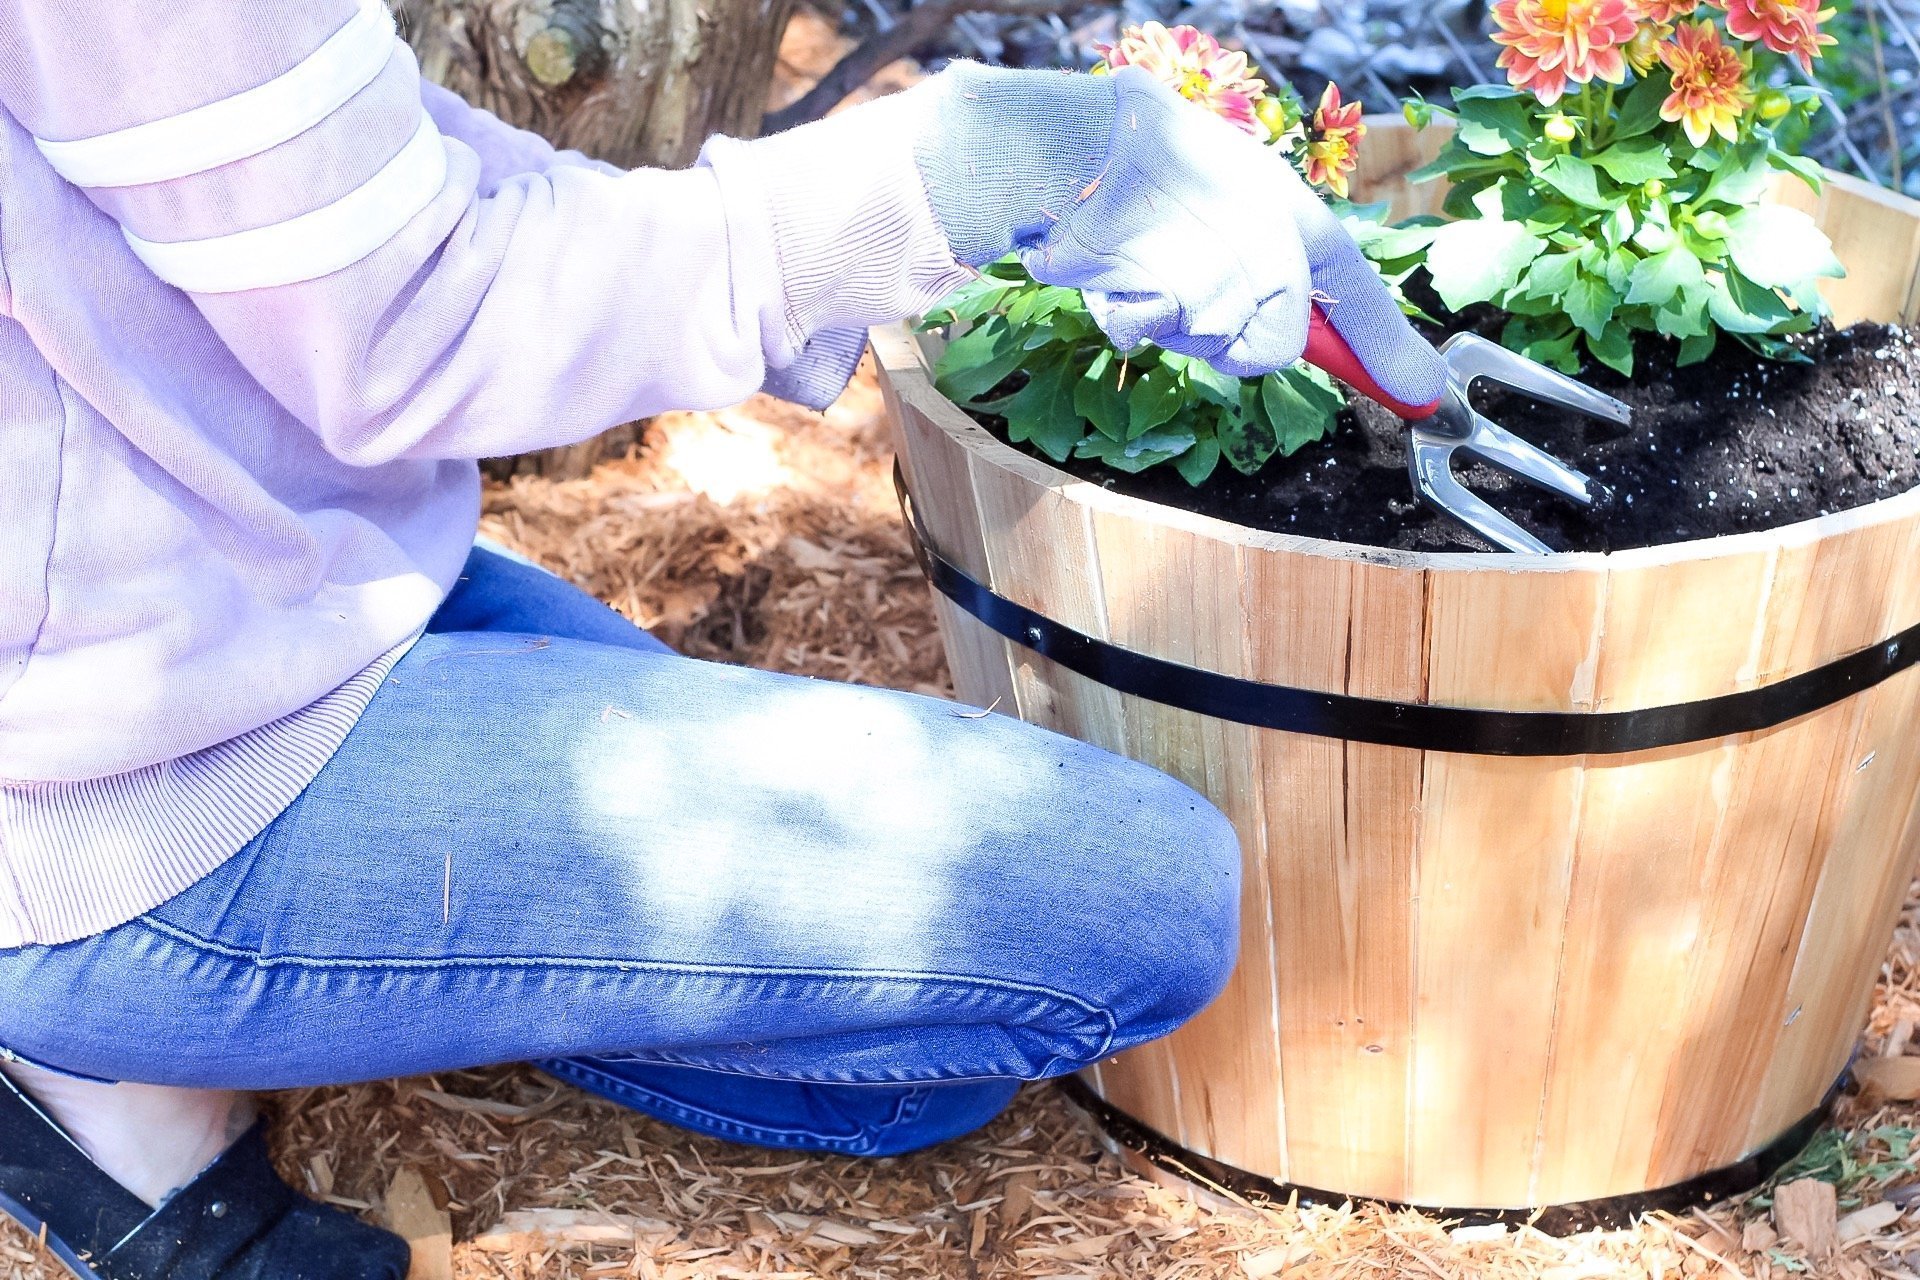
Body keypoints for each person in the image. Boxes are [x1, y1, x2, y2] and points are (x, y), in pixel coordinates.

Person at [0, 2, 1446, 1275]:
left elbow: (372, 173)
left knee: (915, 1079)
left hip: (258, 595)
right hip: (114, 774)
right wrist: (963, 172)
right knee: (1133, 909)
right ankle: (81, 1025)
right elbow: (417, 323)